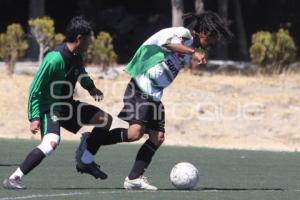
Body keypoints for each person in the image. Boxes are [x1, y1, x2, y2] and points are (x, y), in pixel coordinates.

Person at [75, 11, 233, 191]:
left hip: (154, 95)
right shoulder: (183, 34)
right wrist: (193, 51)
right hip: (140, 88)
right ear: (205, 31)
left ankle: (133, 178)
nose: (213, 41)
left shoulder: (190, 45)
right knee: (135, 133)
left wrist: (193, 52)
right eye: (213, 36)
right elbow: (169, 44)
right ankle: (91, 143)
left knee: (157, 137)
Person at [3, 16, 114, 189]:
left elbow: (81, 73)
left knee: (105, 120)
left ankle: (85, 160)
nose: (90, 42)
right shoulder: (54, 59)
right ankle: (14, 178)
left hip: (68, 106)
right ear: (79, 38)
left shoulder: (77, 55)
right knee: (51, 142)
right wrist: (34, 117)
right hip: (51, 108)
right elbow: (34, 89)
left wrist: (91, 88)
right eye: (88, 39)